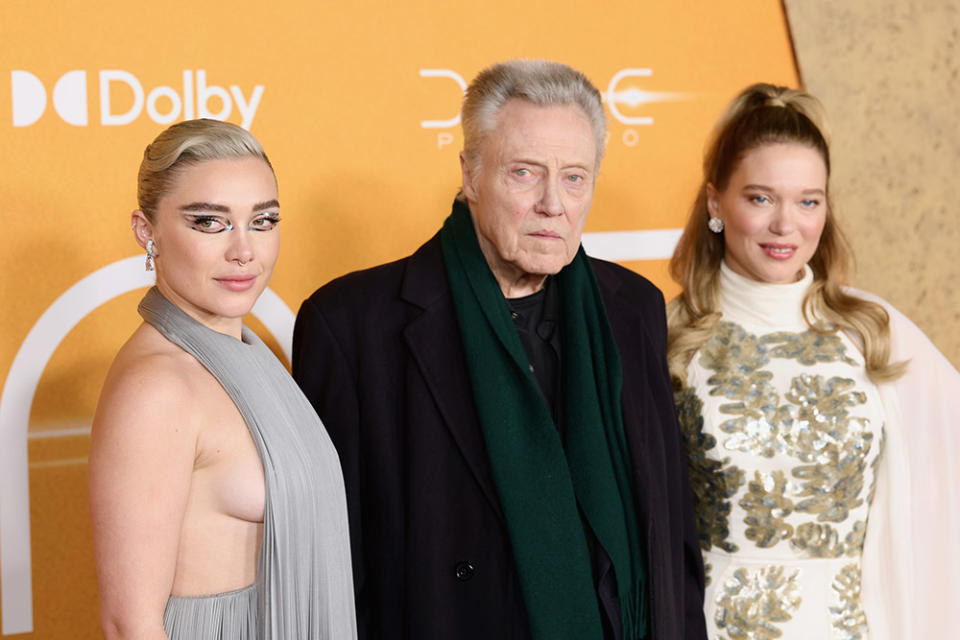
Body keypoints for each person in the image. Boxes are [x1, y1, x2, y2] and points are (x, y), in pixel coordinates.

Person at [292, 59, 706, 640]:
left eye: (574, 177)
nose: (552, 204)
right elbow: (329, 568)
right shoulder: (354, 326)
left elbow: (670, 535)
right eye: (524, 173)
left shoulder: (632, 309)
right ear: (470, 174)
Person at [667, 83, 960, 640]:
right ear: (714, 203)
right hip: (711, 625)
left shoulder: (872, 330)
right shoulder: (671, 338)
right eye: (759, 198)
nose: (787, 225)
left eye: (808, 200)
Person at [88, 119, 357, 640]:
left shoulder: (250, 357)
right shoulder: (157, 389)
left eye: (263, 221)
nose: (244, 250)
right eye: (209, 222)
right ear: (147, 230)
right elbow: (129, 625)